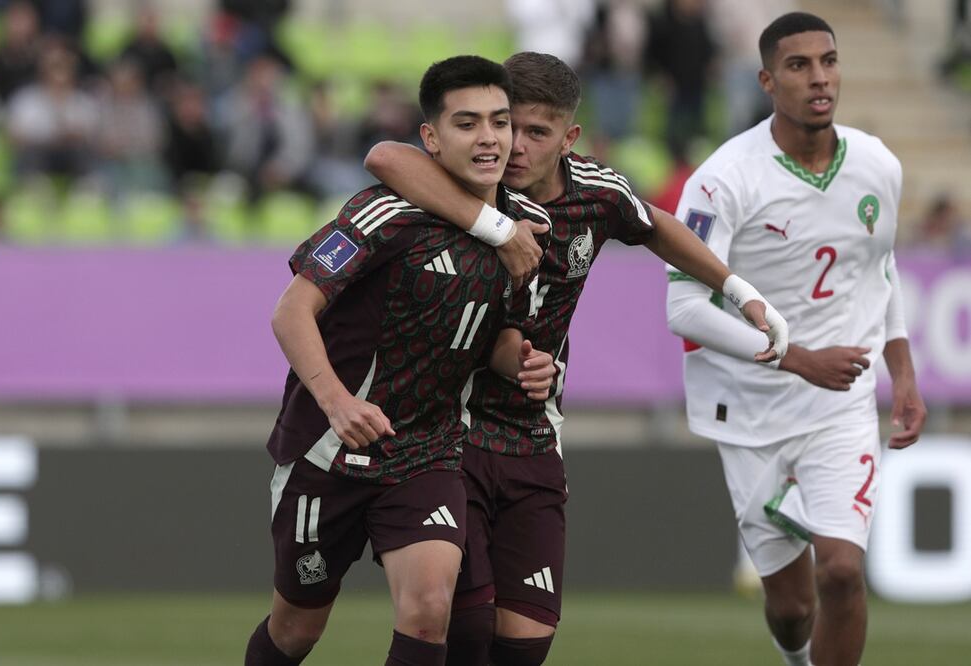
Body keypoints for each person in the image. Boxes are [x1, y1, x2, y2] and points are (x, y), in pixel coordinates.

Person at [365, 51, 787, 666]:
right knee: (463, 628)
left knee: (525, 644)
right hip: (446, 433)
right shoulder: (466, 184)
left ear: (570, 138)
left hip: (533, 434)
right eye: (509, 125)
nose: (513, 146)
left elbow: (655, 225)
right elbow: (384, 156)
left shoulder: (597, 194)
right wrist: (492, 226)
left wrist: (739, 290)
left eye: (536, 132)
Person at [244, 55, 559, 666]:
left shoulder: (529, 229)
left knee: (428, 608)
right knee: (296, 632)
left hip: (427, 450)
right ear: (433, 139)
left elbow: (496, 334)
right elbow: (291, 312)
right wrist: (337, 402)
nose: (490, 137)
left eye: (500, 121)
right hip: (328, 451)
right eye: (467, 124)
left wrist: (521, 360)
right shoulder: (384, 214)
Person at [665, 13, 927, 666]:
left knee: (839, 570)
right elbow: (683, 309)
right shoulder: (724, 179)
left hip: (839, 402)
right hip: (749, 406)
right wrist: (794, 358)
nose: (818, 78)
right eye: (798, 65)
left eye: (827, 61)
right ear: (765, 80)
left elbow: (879, 272)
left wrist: (904, 376)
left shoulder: (877, 164)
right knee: (790, 608)